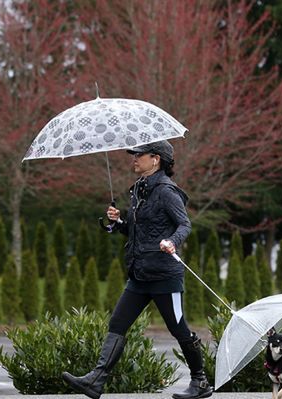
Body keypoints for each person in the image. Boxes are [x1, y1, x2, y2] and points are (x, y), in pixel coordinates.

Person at [62, 140, 213, 399]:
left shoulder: (167, 191)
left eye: (139, 155)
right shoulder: (139, 191)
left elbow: (184, 225)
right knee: (118, 323)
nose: (134, 159)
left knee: (179, 329)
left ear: (156, 159)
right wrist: (117, 222)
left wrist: (172, 241)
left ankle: (200, 382)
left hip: (165, 276)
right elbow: (135, 230)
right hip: (140, 274)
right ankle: (96, 380)